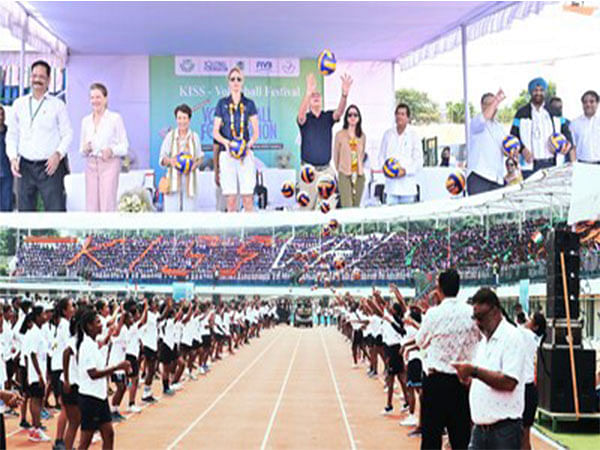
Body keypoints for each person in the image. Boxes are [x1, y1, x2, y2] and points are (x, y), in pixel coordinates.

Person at [452, 288, 526, 450]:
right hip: (480, 429)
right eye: (475, 318)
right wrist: (469, 380)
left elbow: (508, 382)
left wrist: (474, 371)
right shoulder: (484, 342)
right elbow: (485, 379)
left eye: (481, 317)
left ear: (495, 311)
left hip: (503, 431)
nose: (478, 323)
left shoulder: (512, 337)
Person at [414, 270, 481, 450]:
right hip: (462, 383)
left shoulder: (434, 314)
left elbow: (420, 341)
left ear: (439, 289)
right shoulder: (471, 313)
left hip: (436, 382)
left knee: (431, 439)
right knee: (461, 439)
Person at [5, 60, 73, 211]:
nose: (37, 80)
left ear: (48, 80)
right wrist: (12, 158)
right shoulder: (19, 104)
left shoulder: (57, 105)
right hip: (25, 167)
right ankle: (26, 236)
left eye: (42, 77)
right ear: (30, 77)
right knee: (25, 214)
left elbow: (68, 134)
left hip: (50, 167)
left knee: (55, 212)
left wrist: (58, 154)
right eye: (34, 76)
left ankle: (56, 236)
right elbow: (12, 135)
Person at [76, 309, 131, 450]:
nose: (102, 325)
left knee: (109, 434)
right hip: (90, 398)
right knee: (85, 441)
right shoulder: (86, 346)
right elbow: (93, 374)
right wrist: (117, 367)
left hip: (100, 397)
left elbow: (103, 343)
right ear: (89, 326)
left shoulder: (93, 344)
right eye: (98, 322)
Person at [297, 72, 353, 210]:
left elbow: (339, 112)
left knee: (327, 210)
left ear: (322, 101)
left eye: (318, 95)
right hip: (308, 172)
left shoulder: (327, 117)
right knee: (306, 210)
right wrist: (308, 92)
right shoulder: (306, 118)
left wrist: (344, 95)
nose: (315, 97)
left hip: (326, 171)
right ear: (309, 101)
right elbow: (300, 116)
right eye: (313, 96)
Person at [212, 67, 259, 213]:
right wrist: (227, 143)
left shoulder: (249, 104)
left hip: (245, 154)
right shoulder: (222, 103)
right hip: (227, 154)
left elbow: (256, 132)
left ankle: (250, 235)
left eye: (239, 79)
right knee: (231, 200)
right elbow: (215, 132)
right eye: (232, 79)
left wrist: (248, 145)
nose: (236, 82)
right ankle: (232, 236)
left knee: (247, 198)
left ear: (243, 82)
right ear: (228, 83)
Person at [80, 83, 129, 212]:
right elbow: (81, 150)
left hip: (109, 164)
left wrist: (112, 151)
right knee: (91, 205)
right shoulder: (86, 121)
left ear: (105, 99)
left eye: (98, 97)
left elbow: (124, 146)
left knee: (107, 202)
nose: (95, 101)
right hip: (91, 164)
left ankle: (107, 232)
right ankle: (93, 232)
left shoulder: (115, 118)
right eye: (92, 98)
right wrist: (85, 149)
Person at [510, 77, 573, 178]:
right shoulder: (521, 113)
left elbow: (567, 132)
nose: (538, 93)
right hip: (530, 166)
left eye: (541, 90)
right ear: (531, 92)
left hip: (553, 164)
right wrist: (522, 149)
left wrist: (567, 145)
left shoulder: (555, 111)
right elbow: (513, 136)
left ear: (545, 92)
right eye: (535, 90)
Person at [159, 104, 204, 212]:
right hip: (172, 182)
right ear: (176, 120)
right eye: (179, 118)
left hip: (190, 183)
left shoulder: (195, 137)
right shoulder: (170, 136)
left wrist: (195, 164)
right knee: (172, 217)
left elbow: (200, 157)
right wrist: (171, 161)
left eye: (184, 118)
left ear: (189, 120)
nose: (182, 121)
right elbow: (162, 159)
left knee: (189, 217)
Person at [380, 103, 423, 205]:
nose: (400, 116)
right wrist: (387, 170)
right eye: (398, 114)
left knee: (407, 220)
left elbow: (419, 160)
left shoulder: (413, 136)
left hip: (408, 188)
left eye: (403, 114)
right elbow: (381, 156)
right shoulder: (388, 134)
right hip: (391, 188)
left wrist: (405, 171)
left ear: (408, 118)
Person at [467, 90, 508, 195]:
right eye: (490, 104)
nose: (493, 107)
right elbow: (484, 118)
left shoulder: (500, 127)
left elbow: (505, 150)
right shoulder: (476, 122)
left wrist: (512, 152)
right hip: (479, 177)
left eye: (495, 105)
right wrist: (497, 100)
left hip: (497, 179)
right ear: (482, 106)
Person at [520, 312, 546, 450]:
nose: (527, 320)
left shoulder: (528, 335)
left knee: (523, 435)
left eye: (530, 319)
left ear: (535, 327)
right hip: (528, 389)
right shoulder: (531, 337)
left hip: (526, 390)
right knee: (524, 435)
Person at [334, 105, 366, 208]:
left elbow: (362, 155)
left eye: (355, 115)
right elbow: (336, 155)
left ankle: (355, 225)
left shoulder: (362, 136)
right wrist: (339, 170)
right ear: (346, 118)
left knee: (356, 206)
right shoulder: (340, 135)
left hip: (359, 174)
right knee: (347, 206)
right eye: (350, 115)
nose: (352, 117)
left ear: (359, 118)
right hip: (344, 173)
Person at [570, 90, 600, 164]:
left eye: (592, 101)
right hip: (581, 165)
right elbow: (572, 148)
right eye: (585, 102)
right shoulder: (574, 123)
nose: (588, 104)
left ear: (597, 103)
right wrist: (574, 165)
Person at [0, 105, 14, 211]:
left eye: (2, 114)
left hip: (6, 174)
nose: (0, 117)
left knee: (6, 204)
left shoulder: (10, 133)